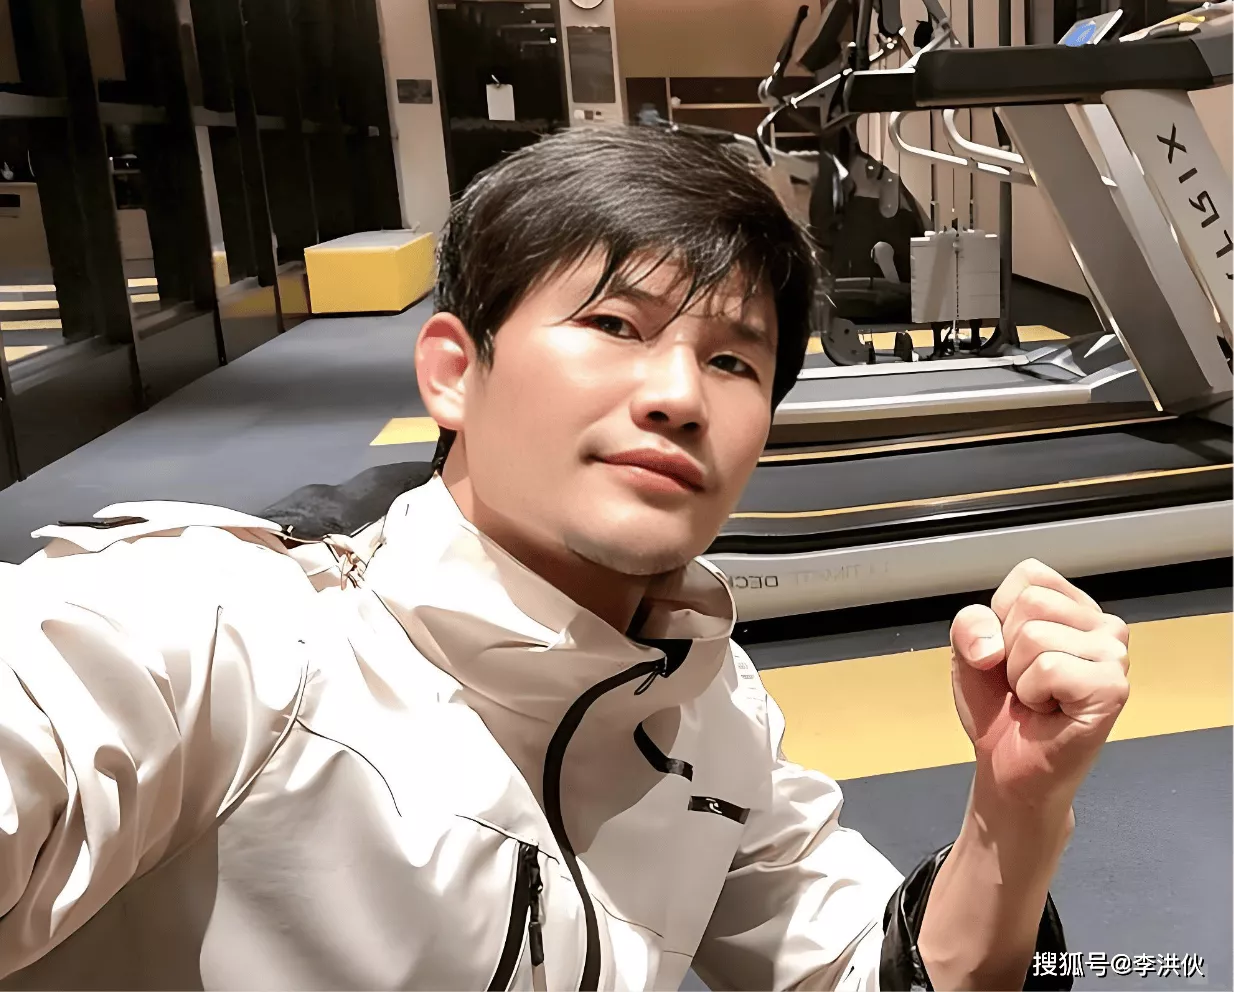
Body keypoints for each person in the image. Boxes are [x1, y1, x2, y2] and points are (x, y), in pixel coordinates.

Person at [0, 125, 1129, 991]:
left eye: (733, 362)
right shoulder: (216, 629)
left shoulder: (709, 708)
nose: (679, 395)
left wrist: (1015, 812)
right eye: (615, 327)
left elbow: (871, 971)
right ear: (454, 372)